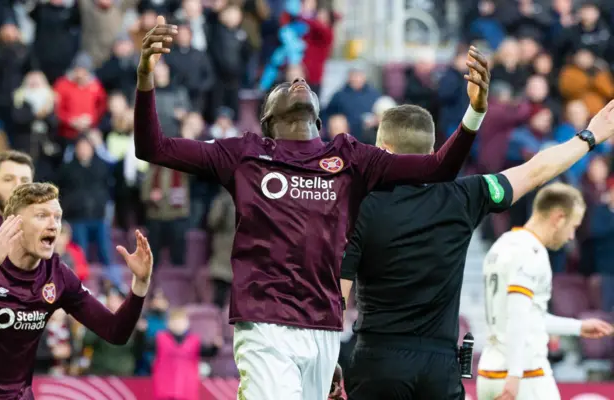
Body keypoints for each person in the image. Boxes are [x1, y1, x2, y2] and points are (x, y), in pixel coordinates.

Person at [135, 15, 490, 399]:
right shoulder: (244, 153)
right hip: (264, 320)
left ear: (318, 119)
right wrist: (144, 80)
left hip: (323, 326)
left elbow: (439, 168)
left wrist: (475, 112)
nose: (298, 80)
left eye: (303, 81)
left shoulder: (351, 157)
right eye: (286, 84)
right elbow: (153, 147)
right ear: (269, 117)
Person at [340, 100, 614, 400]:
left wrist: (330, 365)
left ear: (382, 149)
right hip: (439, 368)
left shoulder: (360, 206)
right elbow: (535, 171)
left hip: (378, 360)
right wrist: (588, 136)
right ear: (433, 152)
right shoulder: (465, 196)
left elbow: (337, 296)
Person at [0, 182, 153, 399]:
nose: (53, 225)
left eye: (57, 217)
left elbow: (115, 332)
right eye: (41, 215)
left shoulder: (57, 276)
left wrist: (140, 284)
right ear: (13, 225)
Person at [477, 183, 614, 400]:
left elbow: (529, 316)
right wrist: (515, 375)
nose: (571, 236)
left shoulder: (501, 245)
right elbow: (517, 315)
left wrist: (578, 327)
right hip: (526, 376)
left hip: (489, 374)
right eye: (573, 226)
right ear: (559, 217)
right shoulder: (532, 252)